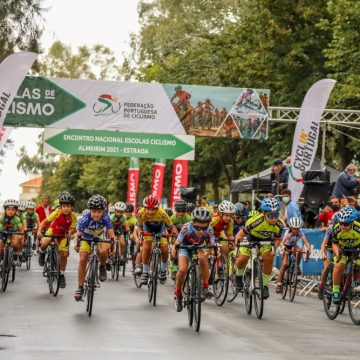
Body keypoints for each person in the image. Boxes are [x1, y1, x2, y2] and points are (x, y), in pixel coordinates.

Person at [235, 198, 284, 299]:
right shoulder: (255, 221)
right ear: (263, 213)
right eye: (271, 215)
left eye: (276, 215)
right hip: (250, 238)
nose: (274, 218)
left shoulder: (279, 225)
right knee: (242, 259)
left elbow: (277, 239)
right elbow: (240, 234)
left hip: (265, 241)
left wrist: (274, 249)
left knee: (269, 257)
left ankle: (264, 285)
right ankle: (238, 277)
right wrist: (238, 244)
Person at [171, 207, 215, 311]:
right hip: (185, 247)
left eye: (204, 228)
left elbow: (212, 245)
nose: (201, 231)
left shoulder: (210, 230)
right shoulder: (186, 228)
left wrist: (211, 251)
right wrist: (173, 249)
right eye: (198, 227)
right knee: (182, 269)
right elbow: (177, 242)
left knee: (203, 258)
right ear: (193, 222)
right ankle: (178, 293)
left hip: (200, 247)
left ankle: (205, 287)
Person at [74, 194, 115, 301]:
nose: (96, 214)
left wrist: (112, 246)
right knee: (83, 259)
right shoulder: (85, 219)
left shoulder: (106, 218)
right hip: (86, 238)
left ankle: (102, 266)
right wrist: (76, 244)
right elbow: (78, 235)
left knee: (103, 251)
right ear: (90, 210)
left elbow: (111, 235)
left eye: (99, 211)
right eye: (94, 211)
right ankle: (80, 287)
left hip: (99, 236)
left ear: (103, 211)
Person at [133, 195, 177, 285]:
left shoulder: (162, 213)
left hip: (160, 228)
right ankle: (145, 272)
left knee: (165, 248)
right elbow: (139, 227)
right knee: (146, 247)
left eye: (153, 209)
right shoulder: (141, 213)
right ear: (144, 208)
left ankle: (163, 270)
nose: (150, 212)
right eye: (148, 209)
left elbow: (172, 227)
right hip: (147, 228)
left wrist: (175, 236)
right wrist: (140, 236)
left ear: (157, 209)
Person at [37, 192, 77, 288]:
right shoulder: (57, 212)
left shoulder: (73, 216)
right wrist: (39, 231)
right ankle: (42, 253)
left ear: (72, 207)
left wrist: (71, 233)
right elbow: (44, 222)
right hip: (53, 231)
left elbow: (73, 228)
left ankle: (61, 275)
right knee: (45, 242)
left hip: (63, 235)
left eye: (68, 206)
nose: (66, 208)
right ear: (60, 206)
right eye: (64, 206)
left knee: (63, 254)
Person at [330, 206, 360, 304]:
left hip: (357, 248)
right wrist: (337, 253)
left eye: (346, 224)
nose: (342, 226)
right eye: (341, 223)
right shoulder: (337, 229)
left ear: (351, 222)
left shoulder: (358, 228)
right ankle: (335, 291)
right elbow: (334, 243)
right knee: (339, 265)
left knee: (359, 263)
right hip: (343, 249)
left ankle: (356, 283)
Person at [276, 217, 311, 293]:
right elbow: (282, 243)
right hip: (286, 246)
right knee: (285, 264)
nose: (296, 230)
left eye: (298, 229)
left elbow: (306, 242)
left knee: (300, 250)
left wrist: (308, 249)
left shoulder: (300, 232)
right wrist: (283, 248)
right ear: (290, 228)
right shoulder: (288, 233)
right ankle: (279, 283)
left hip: (293, 245)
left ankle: (297, 266)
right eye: (294, 229)